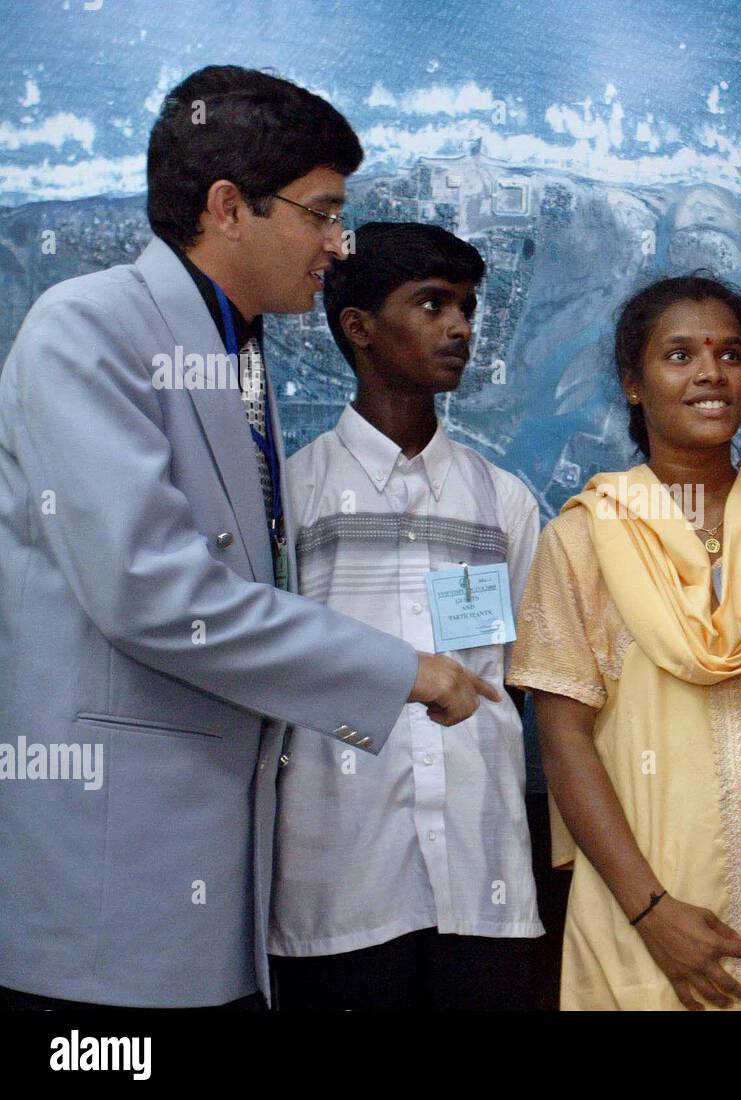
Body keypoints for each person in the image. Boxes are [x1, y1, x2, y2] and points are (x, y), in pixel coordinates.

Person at [0, 67, 495, 1010]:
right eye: (321, 213)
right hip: (106, 907)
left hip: (214, 901)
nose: (337, 244)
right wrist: (407, 674)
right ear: (230, 209)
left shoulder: (237, 353)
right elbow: (159, 596)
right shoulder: (88, 328)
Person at [508, 275, 741, 1010]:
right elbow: (563, 738)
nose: (711, 373)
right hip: (648, 912)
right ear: (633, 383)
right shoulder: (584, 539)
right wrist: (653, 913)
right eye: (679, 356)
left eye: (730, 354)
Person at [269, 222, 543, 1009]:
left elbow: (513, 680)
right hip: (339, 889)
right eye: (431, 304)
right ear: (358, 327)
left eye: (466, 306)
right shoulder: (293, 498)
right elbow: (268, 668)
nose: (459, 327)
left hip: (483, 885)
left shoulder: (503, 502)